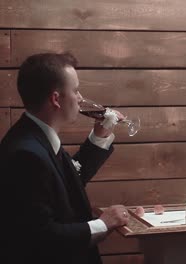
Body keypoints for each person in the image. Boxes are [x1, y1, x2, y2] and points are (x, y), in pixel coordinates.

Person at [0, 52, 130, 264]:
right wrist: (102, 225)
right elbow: (41, 236)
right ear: (55, 99)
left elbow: (68, 180)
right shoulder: (26, 155)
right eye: (76, 90)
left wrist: (100, 136)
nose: (80, 98)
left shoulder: (35, 136)